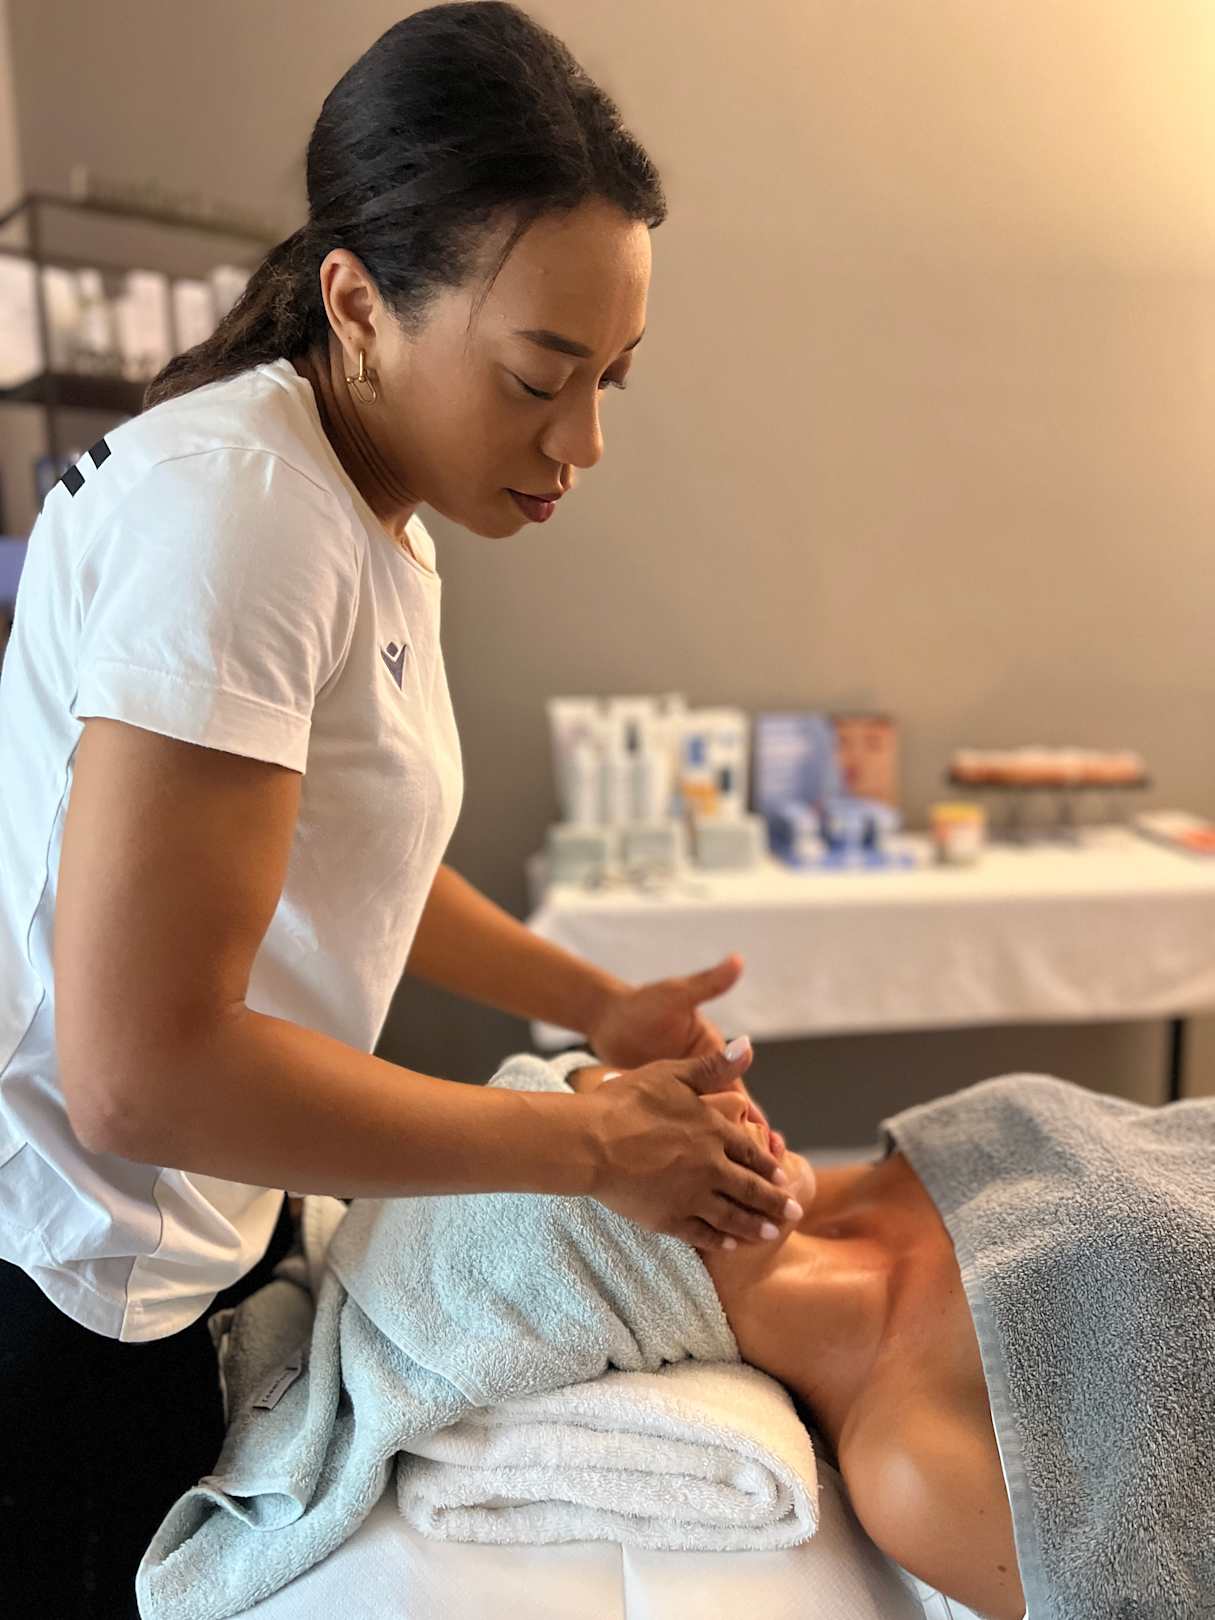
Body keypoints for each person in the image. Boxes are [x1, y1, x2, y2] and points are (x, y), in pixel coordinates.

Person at [0, 7, 798, 1614]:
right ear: (358, 302)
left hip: (194, 1235)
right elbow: (141, 1075)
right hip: (74, 1291)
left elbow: (327, 851)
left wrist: (593, 1005)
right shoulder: (241, 521)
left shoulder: (360, 504)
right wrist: (583, 1146)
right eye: (538, 378)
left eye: (611, 378)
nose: (581, 441)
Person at [567, 1064, 1028, 1620]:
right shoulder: (915, 1465)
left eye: (679, 1090)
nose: (725, 1104)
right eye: (659, 1126)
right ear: (628, 1260)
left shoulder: (949, 1147)